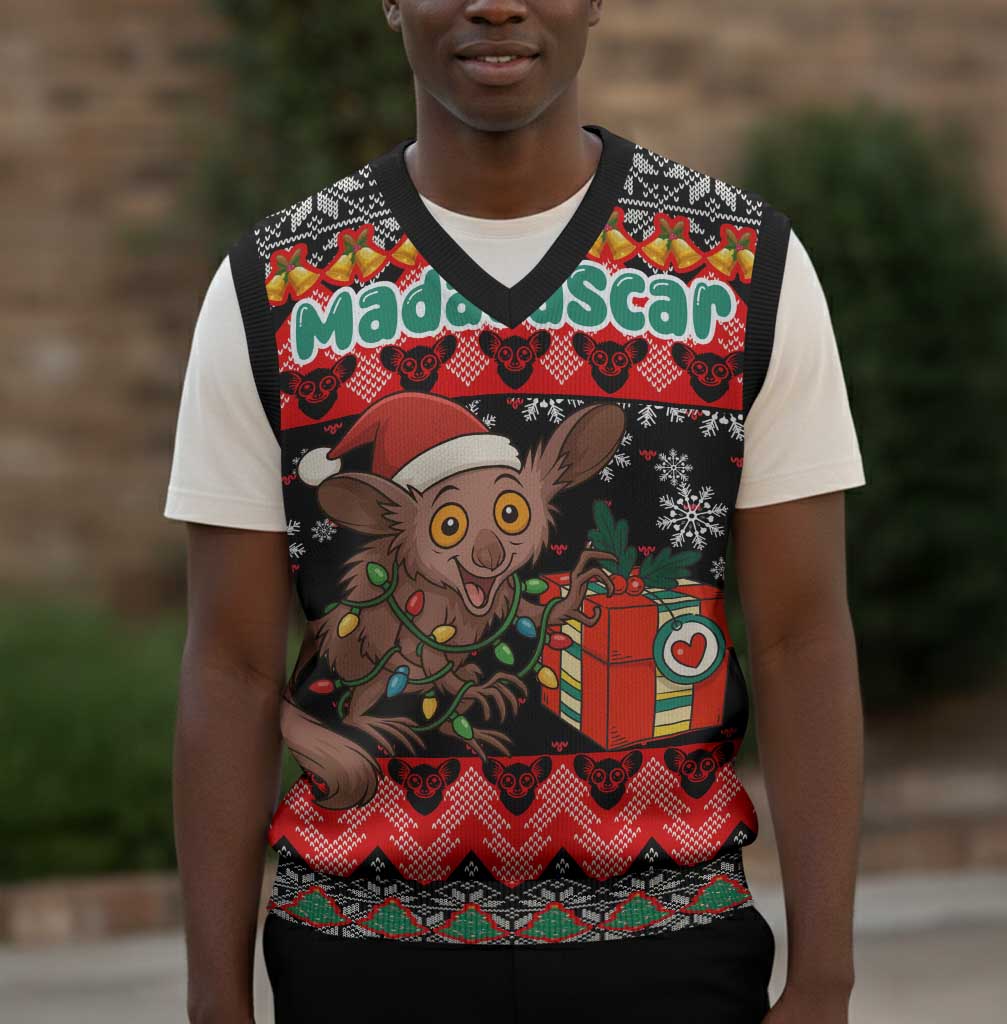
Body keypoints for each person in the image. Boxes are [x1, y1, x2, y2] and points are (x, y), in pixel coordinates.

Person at [165, 2, 866, 1022]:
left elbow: (802, 637)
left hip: (671, 956)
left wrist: (825, 982)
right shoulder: (272, 289)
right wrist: (214, 1003)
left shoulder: (744, 268)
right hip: (359, 964)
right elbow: (229, 668)